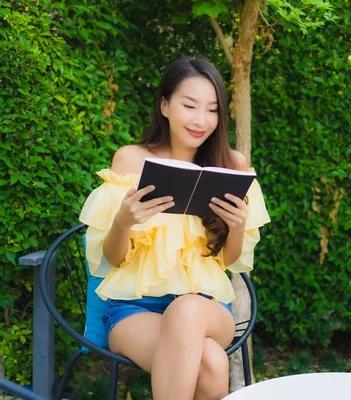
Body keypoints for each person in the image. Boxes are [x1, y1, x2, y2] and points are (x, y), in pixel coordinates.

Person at [79, 56, 270, 400]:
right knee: (210, 362)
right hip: (134, 309)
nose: (201, 120)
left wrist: (238, 226)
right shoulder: (131, 160)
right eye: (190, 105)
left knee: (187, 308)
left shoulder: (231, 165)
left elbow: (227, 262)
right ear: (165, 105)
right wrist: (124, 221)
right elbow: (112, 259)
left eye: (212, 110)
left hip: (208, 308)